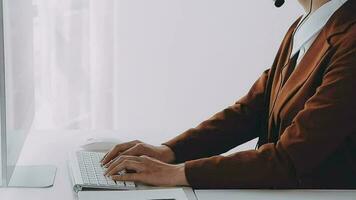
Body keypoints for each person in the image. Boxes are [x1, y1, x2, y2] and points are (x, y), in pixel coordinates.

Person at [101, 0, 356, 189]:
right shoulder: (305, 28)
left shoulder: (349, 38)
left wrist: (177, 173)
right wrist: (169, 151)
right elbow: (249, 113)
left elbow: (289, 158)